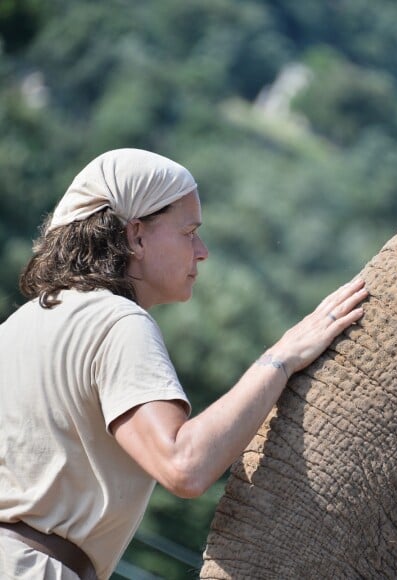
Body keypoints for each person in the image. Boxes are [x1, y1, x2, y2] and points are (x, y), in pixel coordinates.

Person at [0, 148, 368, 579]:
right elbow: (184, 466)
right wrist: (281, 359)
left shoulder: (22, 323)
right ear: (135, 236)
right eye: (189, 232)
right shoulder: (118, 322)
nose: (202, 251)